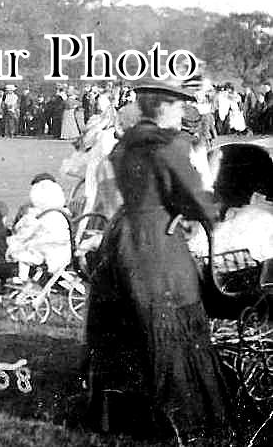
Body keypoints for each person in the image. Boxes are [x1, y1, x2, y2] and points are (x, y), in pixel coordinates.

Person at [84, 78, 234, 443]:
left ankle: (117, 415)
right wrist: (212, 203)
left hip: (122, 237)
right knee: (170, 323)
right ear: (164, 107)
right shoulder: (168, 147)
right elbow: (198, 203)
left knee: (126, 323)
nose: (183, 112)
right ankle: (179, 417)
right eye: (180, 106)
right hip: (157, 244)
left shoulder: (124, 145)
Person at [5, 174, 70, 284]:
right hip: (62, 248)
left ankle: (23, 278)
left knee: (21, 250)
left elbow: (25, 231)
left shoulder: (37, 215)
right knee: (28, 246)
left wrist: (15, 238)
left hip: (46, 250)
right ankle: (31, 279)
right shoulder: (63, 212)